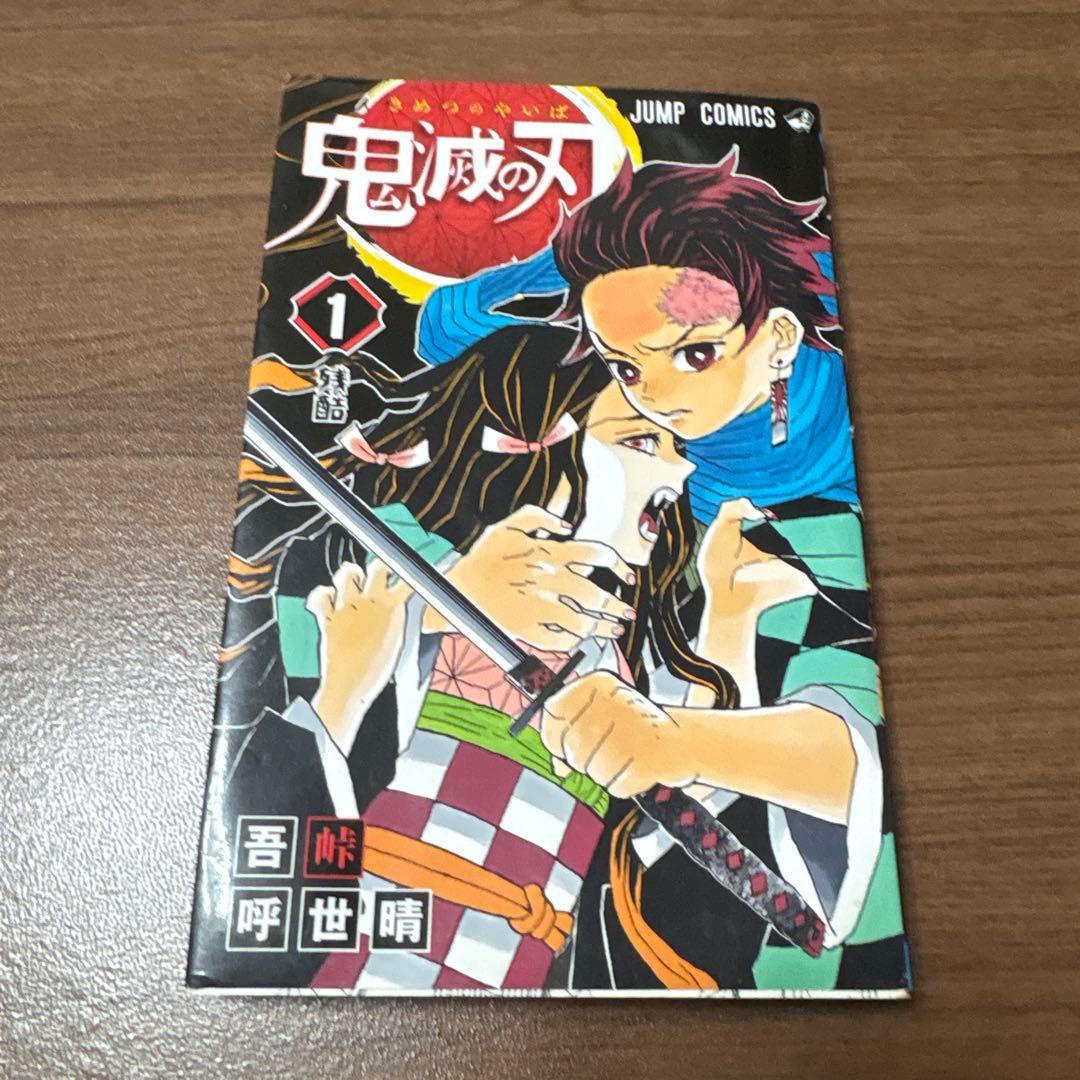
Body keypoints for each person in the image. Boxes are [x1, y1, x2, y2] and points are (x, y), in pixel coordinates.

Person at [202, 325, 882, 992]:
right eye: (641, 441)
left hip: (529, 970)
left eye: (674, 446)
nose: (680, 470)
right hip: (359, 949)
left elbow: (693, 843)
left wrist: (728, 622)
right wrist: (439, 607)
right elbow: (263, 777)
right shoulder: (375, 557)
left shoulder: (637, 647)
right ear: (537, 442)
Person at [413, 151, 907, 988]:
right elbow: (435, 356)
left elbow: (848, 746)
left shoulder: (819, 516)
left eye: (695, 355)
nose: (657, 394)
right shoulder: (617, 468)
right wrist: (447, 594)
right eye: (626, 366)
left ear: (779, 339)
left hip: (735, 945)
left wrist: (673, 739)